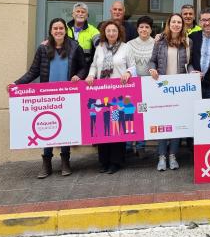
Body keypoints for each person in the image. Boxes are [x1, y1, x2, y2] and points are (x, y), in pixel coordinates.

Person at [12, 18, 88, 179]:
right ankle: (46, 163)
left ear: (65, 30)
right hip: (48, 97)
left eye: (61, 28)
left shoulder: (75, 47)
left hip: (68, 95)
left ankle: (65, 161)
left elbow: (83, 68)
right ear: (51, 31)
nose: (58, 31)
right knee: (47, 128)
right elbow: (33, 71)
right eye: (55, 28)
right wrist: (16, 84)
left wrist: (78, 76)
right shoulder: (43, 48)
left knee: (66, 129)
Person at [86, 20, 136, 174]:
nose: (111, 33)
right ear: (104, 33)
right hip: (101, 93)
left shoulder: (126, 47)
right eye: (108, 31)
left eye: (114, 30)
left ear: (119, 32)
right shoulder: (99, 48)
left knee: (116, 126)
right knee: (103, 127)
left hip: (119, 93)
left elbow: (132, 66)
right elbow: (94, 65)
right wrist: (91, 75)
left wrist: (128, 72)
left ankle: (116, 162)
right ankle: (104, 161)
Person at [148, 13, 193, 171]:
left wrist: (192, 72)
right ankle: (162, 156)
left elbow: (189, 64)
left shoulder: (188, 42)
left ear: (182, 25)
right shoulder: (160, 41)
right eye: (173, 22)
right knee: (163, 123)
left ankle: (173, 155)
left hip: (179, 89)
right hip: (162, 88)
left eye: (179, 22)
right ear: (169, 24)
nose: (176, 24)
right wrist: (152, 69)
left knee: (177, 123)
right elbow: (152, 60)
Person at [126, 15, 156, 153]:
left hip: (148, 88)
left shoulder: (156, 43)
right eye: (141, 27)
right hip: (131, 87)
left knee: (143, 115)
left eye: (147, 27)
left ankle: (140, 146)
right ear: (137, 29)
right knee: (130, 114)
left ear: (151, 29)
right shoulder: (129, 44)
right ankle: (127, 146)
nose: (144, 29)